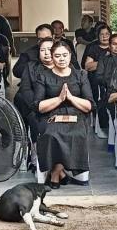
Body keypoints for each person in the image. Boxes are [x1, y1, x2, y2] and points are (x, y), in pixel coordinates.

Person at [34, 40, 95, 189]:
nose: (62, 59)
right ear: (52, 57)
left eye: (65, 55)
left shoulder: (80, 75)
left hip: (77, 114)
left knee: (76, 134)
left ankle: (56, 172)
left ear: (70, 56)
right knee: (52, 134)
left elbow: (89, 105)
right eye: (57, 56)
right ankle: (60, 173)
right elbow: (39, 106)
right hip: (51, 114)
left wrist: (71, 98)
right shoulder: (43, 76)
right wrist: (59, 99)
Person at [15, 37, 55, 146]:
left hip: (56, 107)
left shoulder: (63, 67)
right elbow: (25, 89)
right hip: (34, 106)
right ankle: (35, 148)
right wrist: (38, 107)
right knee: (34, 118)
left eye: (50, 49)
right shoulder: (31, 67)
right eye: (42, 50)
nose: (46, 53)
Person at [82, 23, 112, 139]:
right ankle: (99, 122)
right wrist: (105, 62)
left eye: (107, 34)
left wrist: (98, 64)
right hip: (96, 79)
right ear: (98, 36)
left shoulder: (114, 46)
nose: (105, 37)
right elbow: (88, 66)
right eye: (102, 34)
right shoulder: (93, 47)